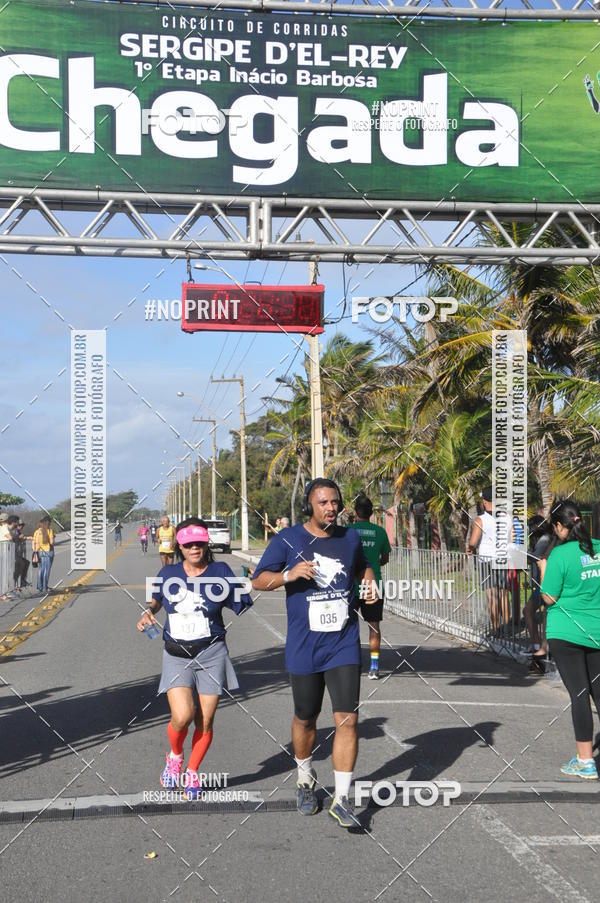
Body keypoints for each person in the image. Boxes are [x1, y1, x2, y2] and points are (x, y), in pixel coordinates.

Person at [252, 478, 378, 829]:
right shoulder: (288, 539)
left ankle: (342, 799)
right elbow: (258, 579)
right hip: (305, 646)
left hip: (343, 644)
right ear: (310, 506)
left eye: (335, 502)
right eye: (323, 503)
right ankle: (305, 778)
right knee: (306, 717)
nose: (331, 508)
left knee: (348, 719)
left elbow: (362, 565)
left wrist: (368, 580)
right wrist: (289, 574)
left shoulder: (350, 538)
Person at [136, 518, 252, 799]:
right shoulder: (168, 573)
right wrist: (148, 611)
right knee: (183, 716)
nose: (194, 548)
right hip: (177, 655)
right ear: (180, 546)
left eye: (199, 543)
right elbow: (156, 600)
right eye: (188, 544)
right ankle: (175, 757)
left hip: (212, 654)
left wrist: (247, 581)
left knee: (205, 721)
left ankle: (192, 772)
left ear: (206, 543)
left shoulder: (220, 571)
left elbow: (242, 604)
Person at [541, 501, 600, 779]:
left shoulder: (560, 555)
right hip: (596, 631)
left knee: (579, 694)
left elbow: (548, 597)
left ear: (559, 526)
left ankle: (585, 760)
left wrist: (543, 569)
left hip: (566, 633)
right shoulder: (597, 548)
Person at [347, 493, 391, 680]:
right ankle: (374, 667)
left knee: (349, 627)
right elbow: (385, 558)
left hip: (351, 585)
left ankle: (352, 665)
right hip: (373, 585)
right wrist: (373, 566)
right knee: (374, 627)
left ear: (356, 513)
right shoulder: (380, 532)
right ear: (371, 513)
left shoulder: (348, 531)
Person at [466, 487, 512, 634]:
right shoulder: (507, 517)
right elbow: (513, 538)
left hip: (487, 560)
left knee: (492, 596)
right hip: (503, 558)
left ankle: (496, 629)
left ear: (485, 502)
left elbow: (473, 542)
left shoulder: (481, 520)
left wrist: (470, 549)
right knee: (504, 595)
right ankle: (508, 629)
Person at [525, 515, 555, 672]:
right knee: (531, 611)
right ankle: (538, 646)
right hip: (540, 583)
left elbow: (538, 557)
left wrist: (523, 554)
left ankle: (543, 648)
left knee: (542, 613)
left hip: (545, 582)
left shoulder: (544, 539)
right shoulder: (543, 539)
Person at [32, 515, 55, 594]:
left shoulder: (37, 531)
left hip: (40, 552)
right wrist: (53, 538)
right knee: (46, 570)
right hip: (48, 551)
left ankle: (40, 586)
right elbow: (52, 542)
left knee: (41, 569)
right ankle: (45, 587)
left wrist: (35, 550)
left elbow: (34, 542)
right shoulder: (49, 530)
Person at [14, 520, 30, 590]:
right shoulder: (13, 531)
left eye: (22, 526)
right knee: (19, 566)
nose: (21, 527)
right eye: (20, 525)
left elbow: (21, 538)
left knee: (26, 563)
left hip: (18, 552)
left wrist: (26, 538)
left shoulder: (19, 532)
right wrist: (19, 537)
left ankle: (22, 581)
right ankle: (15, 584)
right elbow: (13, 538)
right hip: (13, 552)